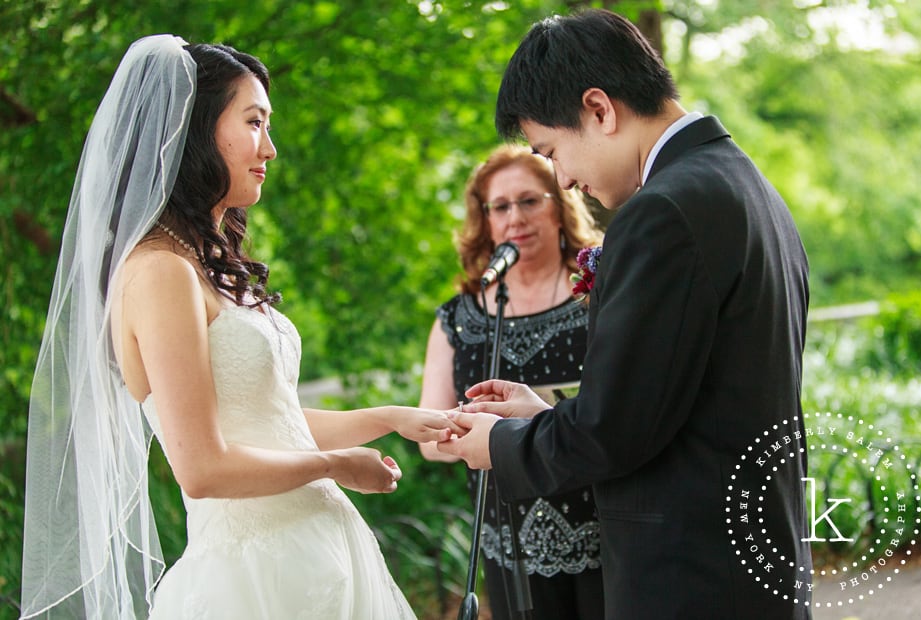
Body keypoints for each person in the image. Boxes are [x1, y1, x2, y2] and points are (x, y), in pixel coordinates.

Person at [20, 35, 462, 619]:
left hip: (319, 555)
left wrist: (394, 420)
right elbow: (202, 467)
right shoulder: (158, 272)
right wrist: (335, 465)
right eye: (254, 122)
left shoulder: (202, 263)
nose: (270, 148)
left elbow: (267, 425)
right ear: (197, 132)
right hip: (254, 581)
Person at [438, 9, 813, 619]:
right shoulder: (748, 186)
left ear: (599, 109)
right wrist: (545, 416)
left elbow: (615, 430)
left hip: (691, 576)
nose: (563, 177)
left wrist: (501, 443)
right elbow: (667, 400)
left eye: (552, 150)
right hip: (752, 559)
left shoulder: (662, 211)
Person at [419, 144, 605, 619]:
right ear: (485, 220)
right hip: (508, 545)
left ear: (559, 206)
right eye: (500, 206)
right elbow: (427, 437)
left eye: (529, 200)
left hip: (605, 531)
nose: (515, 217)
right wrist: (464, 434)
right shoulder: (458, 320)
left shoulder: (601, 292)